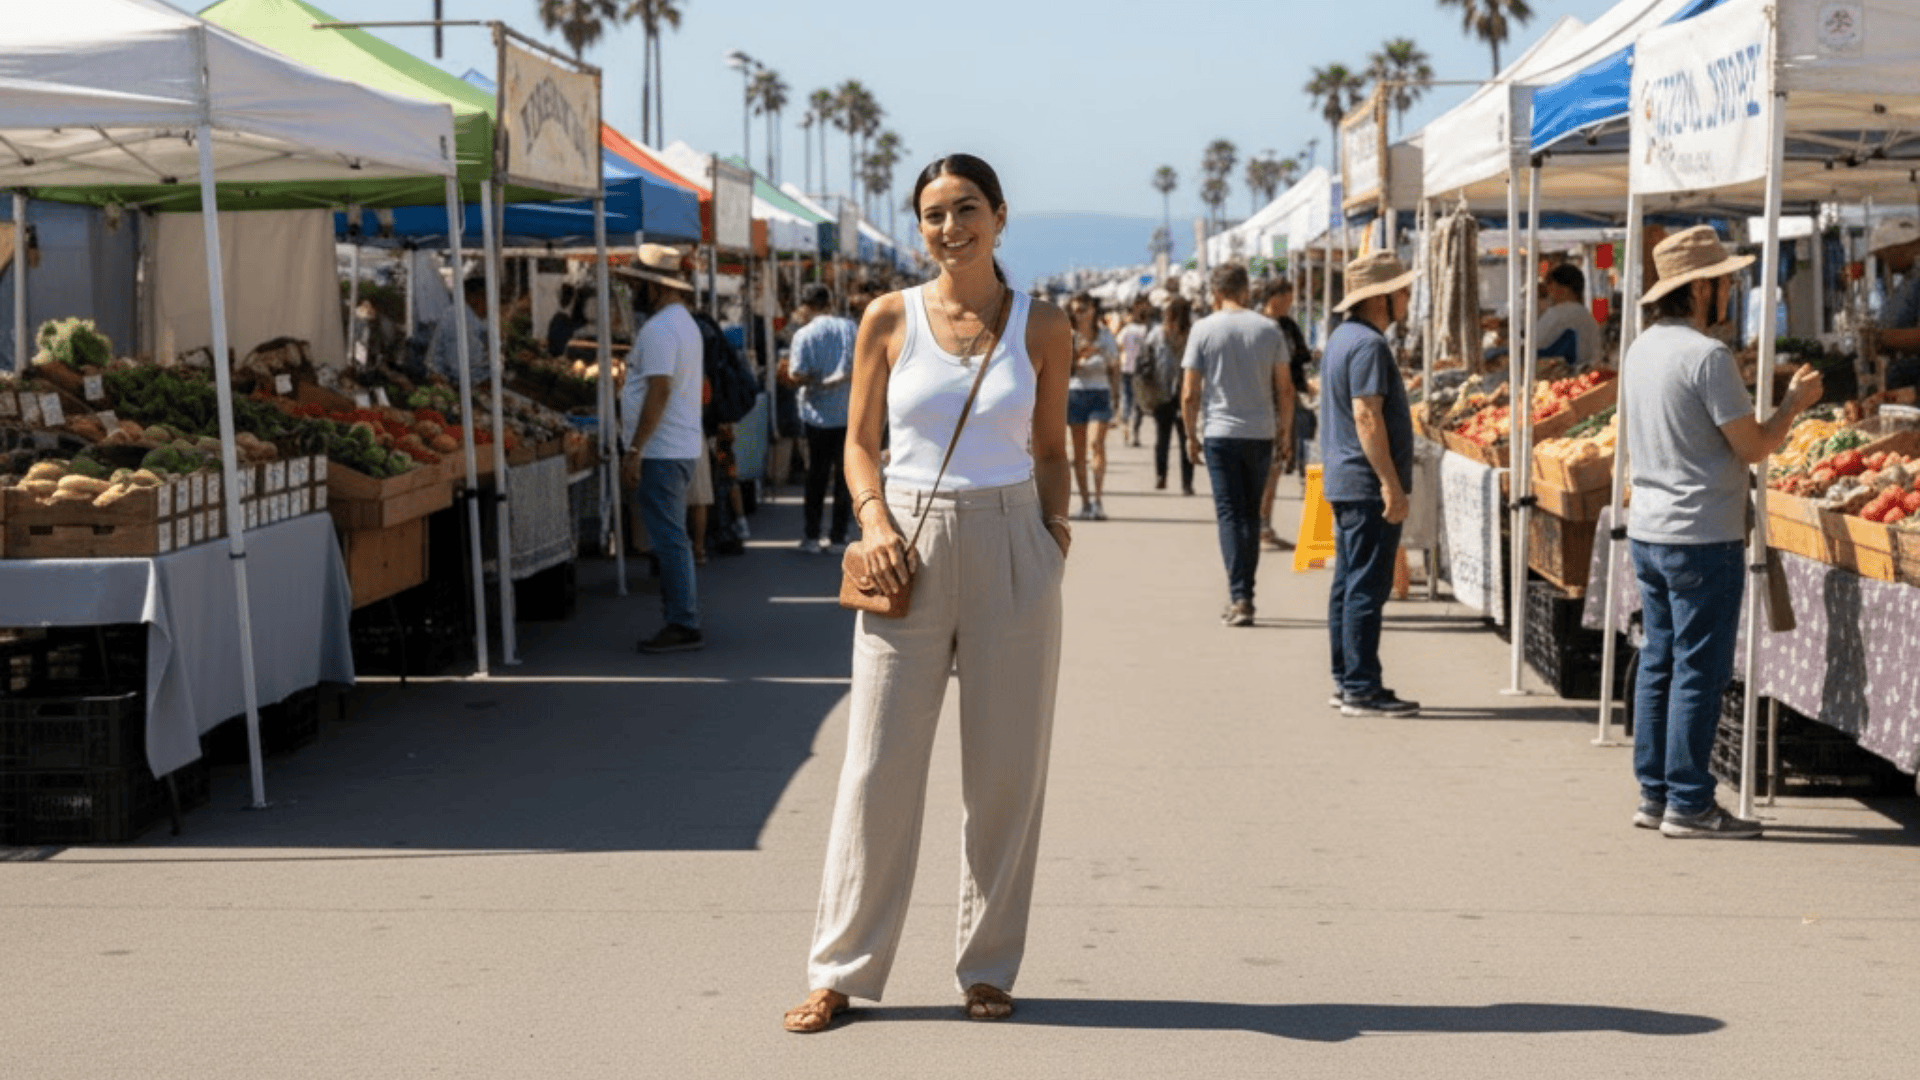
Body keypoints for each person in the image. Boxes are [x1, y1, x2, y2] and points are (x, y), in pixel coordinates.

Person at [784, 153, 1072, 1034]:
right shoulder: (886, 317)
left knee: (1006, 773)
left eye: (968, 208)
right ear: (919, 227)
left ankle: (987, 968)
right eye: (935, 214)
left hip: (1013, 540)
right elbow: (858, 442)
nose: (952, 227)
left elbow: (1052, 447)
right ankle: (839, 969)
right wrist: (873, 523)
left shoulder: (1044, 326)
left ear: (1001, 214)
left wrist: (1052, 539)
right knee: (876, 766)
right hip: (901, 544)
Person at [1623, 226, 1822, 839]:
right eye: (1726, 281)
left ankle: (1655, 795)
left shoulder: (1642, 348)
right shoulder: (1706, 357)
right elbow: (1756, 445)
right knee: (1697, 670)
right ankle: (1689, 802)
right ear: (1702, 288)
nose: (1732, 290)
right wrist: (1793, 403)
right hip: (1700, 533)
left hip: (1650, 528)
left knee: (1661, 661)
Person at [1321, 251, 1420, 717]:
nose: (1407, 297)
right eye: (1402, 291)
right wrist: (1390, 483)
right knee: (1365, 586)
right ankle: (1361, 685)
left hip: (1346, 479)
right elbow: (1366, 414)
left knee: (1348, 583)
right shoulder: (1368, 345)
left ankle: (1347, 678)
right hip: (1364, 483)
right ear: (1381, 298)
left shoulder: (1343, 337)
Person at [1181, 264, 1292, 627]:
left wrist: (1190, 435)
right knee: (1251, 515)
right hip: (1260, 433)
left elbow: (1189, 392)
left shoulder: (1203, 329)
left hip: (1220, 433)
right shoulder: (1268, 328)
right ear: (1245, 292)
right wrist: (1285, 433)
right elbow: (1285, 388)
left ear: (1216, 292)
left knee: (1230, 515)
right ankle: (1246, 592)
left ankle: (1239, 595)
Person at [618, 245, 707, 654]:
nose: (634, 290)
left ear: (654, 287)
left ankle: (682, 622)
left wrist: (636, 447)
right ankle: (680, 617)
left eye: (638, 283)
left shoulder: (660, 330)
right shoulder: (681, 323)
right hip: (677, 446)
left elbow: (659, 390)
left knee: (670, 539)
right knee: (674, 538)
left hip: (663, 450)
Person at [780, 283, 858, 553]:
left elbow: (797, 374)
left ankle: (812, 536)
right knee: (845, 478)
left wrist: (816, 379)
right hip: (848, 414)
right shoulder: (850, 328)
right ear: (830, 302)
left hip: (817, 416)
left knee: (816, 476)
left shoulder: (804, 334)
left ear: (806, 306)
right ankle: (839, 536)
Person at [1256, 281, 1316, 546]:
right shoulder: (1257, 325)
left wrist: (1304, 386)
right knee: (1265, 465)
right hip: (1261, 401)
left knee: (1276, 464)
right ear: (1275, 296)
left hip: (1286, 400)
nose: (1291, 302)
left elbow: (1299, 364)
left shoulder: (1290, 326)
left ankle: (1263, 521)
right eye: (1288, 297)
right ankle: (1258, 521)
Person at [1065, 293, 1120, 519]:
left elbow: (1115, 365)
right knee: (1078, 453)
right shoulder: (1068, 335)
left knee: (1096, 444)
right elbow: (1062, 368)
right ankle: (1086, 502)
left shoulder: (1105, 335)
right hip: (1075, 392)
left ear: (1092, 310)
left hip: (1100, 392)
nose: (1079, 315)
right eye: (1075, 310)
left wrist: (1100, 352)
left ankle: (1098, 500)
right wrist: (1077, 357)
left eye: (1083, 309)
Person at [1143, 295, 1195, 495]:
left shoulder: (1191, 334)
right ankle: (1163, 476)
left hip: (1184, 392)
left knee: (1182, 438)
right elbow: (1146, 359)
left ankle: (1185, 482)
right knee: (1166, 437)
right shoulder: (1157, 334)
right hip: (1163, 391)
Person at [1868, 218, 1920, 391]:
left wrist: (1882, 337)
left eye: (1885, 257)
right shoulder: (1911, 277)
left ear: (1900, 248)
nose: (1886, 265)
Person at [1534, 263, 1601, 369]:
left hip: (1561, 375)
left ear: (1563, 289)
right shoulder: (1586, 314)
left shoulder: (1558, 313)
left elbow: (1534, 343)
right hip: (1587, 373)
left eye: (1551, 286)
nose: (1549, 292)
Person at [1115, 299, 1152, 447]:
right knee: (1138, 402)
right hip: (1141, 370)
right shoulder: (1147, 331)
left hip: (1126, 367)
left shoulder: (1127, 329)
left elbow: (1118, 344)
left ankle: (1125, 429)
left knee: (1126, 398)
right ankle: (1136, 433)